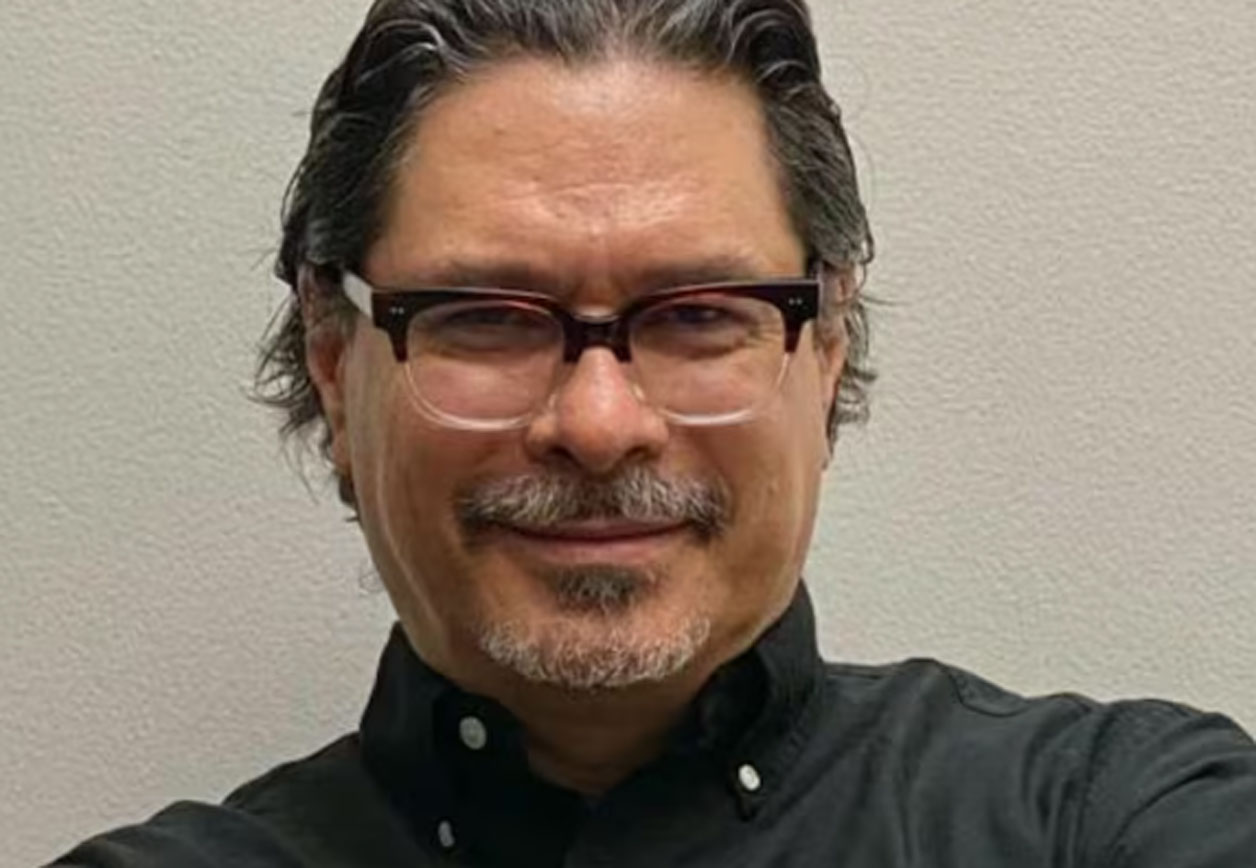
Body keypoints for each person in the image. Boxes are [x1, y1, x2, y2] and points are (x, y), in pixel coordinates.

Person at [51, 0, 1256, 865]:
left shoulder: (1110, 817)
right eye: (484, 317)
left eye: (696, 315)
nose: (597, 423)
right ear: (333, 364)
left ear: (824, 352)